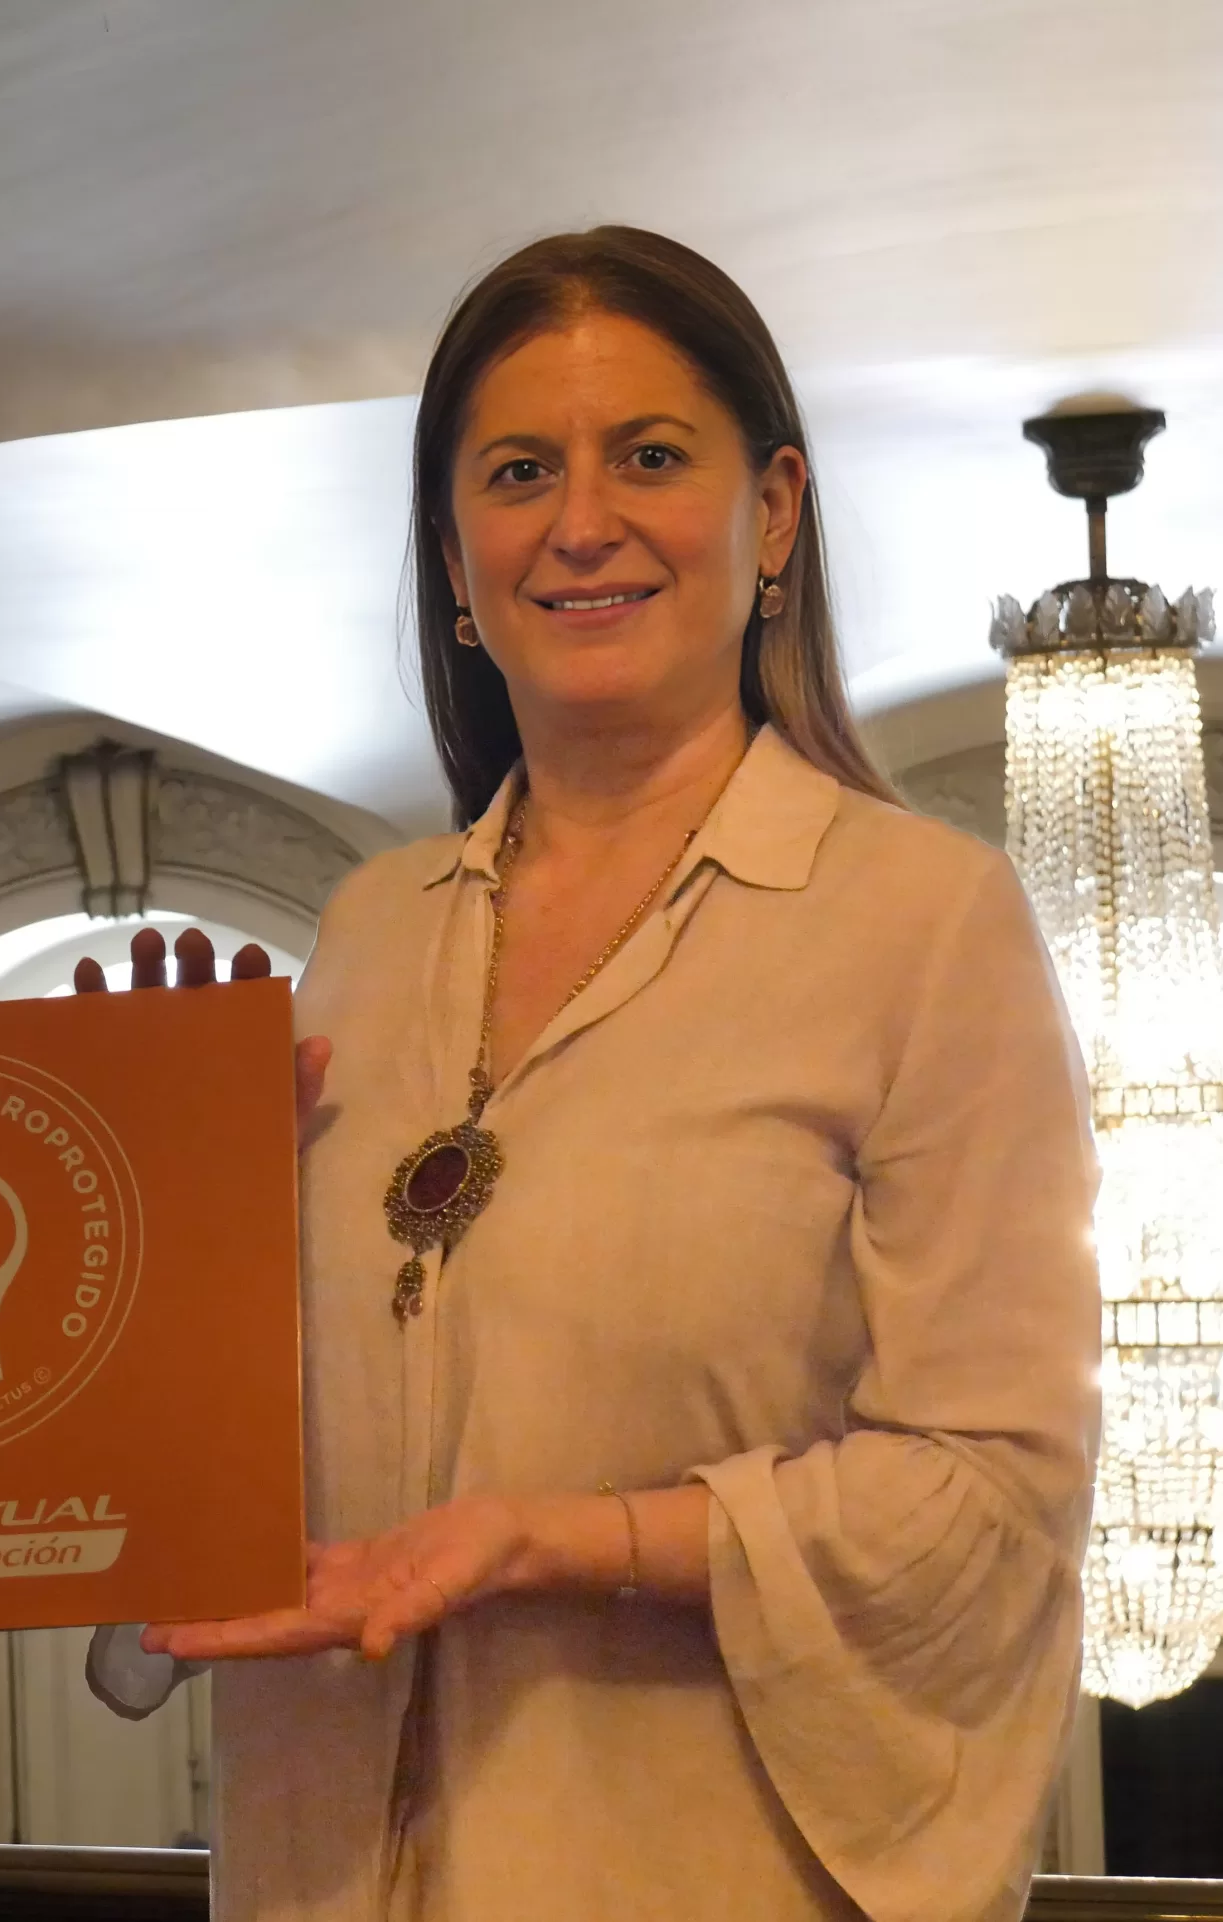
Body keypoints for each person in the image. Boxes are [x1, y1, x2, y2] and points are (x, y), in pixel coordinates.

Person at [84, 228, 1099, 1922]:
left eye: (649, 456)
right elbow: (225, 1485)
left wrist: (553, 1537)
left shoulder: (922, 923)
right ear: (453, 554)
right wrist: (160, 1231)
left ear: (774, 512)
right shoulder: (363, 935)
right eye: (517, 472)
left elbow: (989, 1499)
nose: (580, 521)